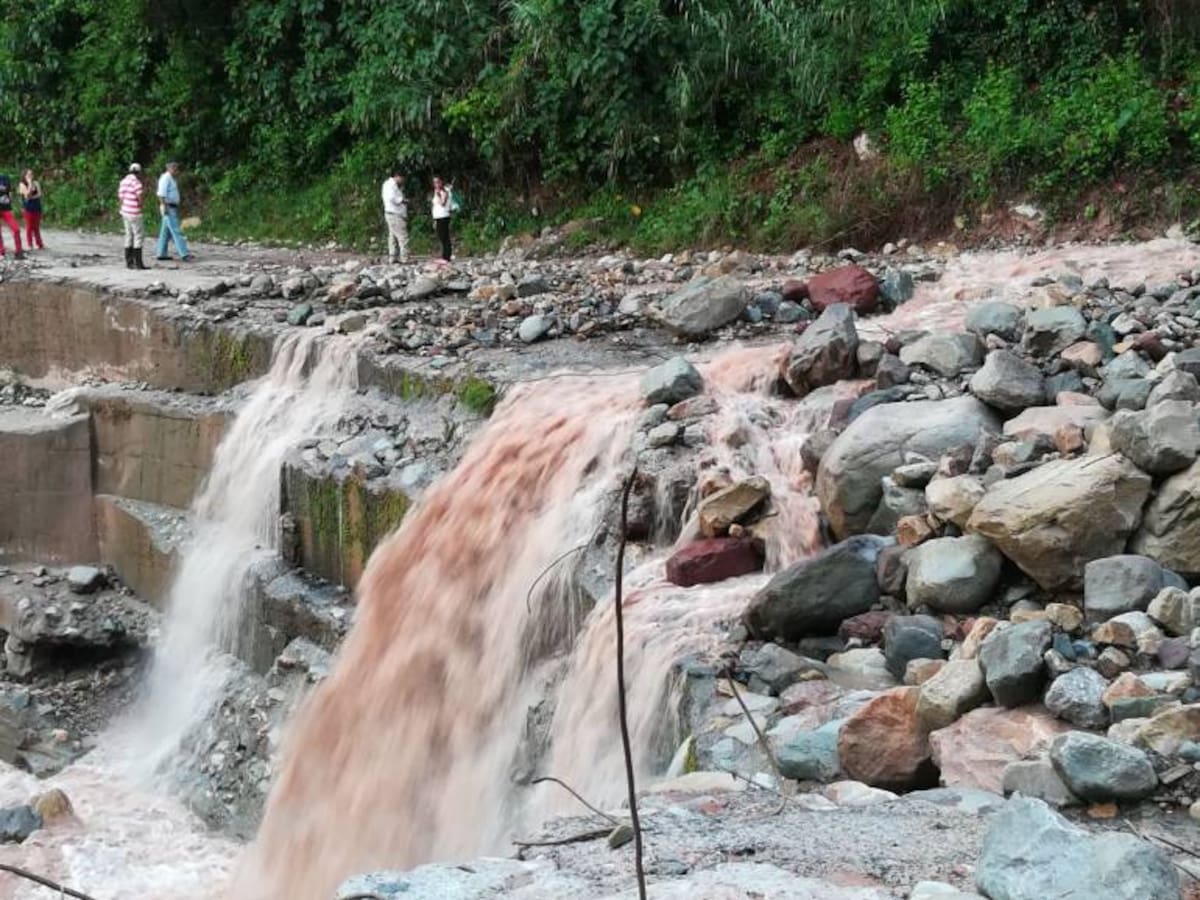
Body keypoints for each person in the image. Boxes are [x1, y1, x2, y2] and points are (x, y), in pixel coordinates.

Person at [155, 161, 192, 262]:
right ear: (169, 168)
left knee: (165, 232)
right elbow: (161, 194)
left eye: (177, 168)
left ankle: (161, 253)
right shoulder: (166, 178)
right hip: (168, 207)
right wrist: (165, 207)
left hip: (171, 206)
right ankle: (184, 254)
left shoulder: (171, 178)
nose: (176, 170)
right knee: (176, 230)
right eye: (174, 168)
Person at [119, 163, 148, 269]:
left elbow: (121, 197)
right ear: (139, 172)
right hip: (134, 212)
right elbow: (139, 197)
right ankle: (139, 263)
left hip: (125, 211)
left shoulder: (123, 182)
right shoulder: (137, 183)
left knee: (128, 235)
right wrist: (141, 206)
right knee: (138, 236)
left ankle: (129, 262)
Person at [381, 169, 408, 264]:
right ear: (397, 176)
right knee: (402, 236)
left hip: (391, 213)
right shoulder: (391, 185)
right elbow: (392, 198)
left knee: (392, 236)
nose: (403, 180)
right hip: (395, 213)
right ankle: (405, 258)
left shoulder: (389, 184)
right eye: (402, 178)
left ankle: (393, 257)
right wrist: (402, 200)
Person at [18, 169, 43, 250]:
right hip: (27, 208)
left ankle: (39, 244)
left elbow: (39, 194)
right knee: (29, 227)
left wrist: (31, 197)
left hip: (37, 206)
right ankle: (30, 244)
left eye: (31, 174)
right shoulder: (22, 184)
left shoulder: (36, 183)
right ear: (24, 176)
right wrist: (29, 183)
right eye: (28, 174)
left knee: (36, 227)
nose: (30, 176)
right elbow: (27, 194)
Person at [0, 175, 23, 259]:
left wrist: (11, 204)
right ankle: (1, 251)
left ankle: (19, 251)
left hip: (6, 209)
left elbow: (9, 193)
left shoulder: (4, 178)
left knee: (16, 229)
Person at [431, 176, 452, 263]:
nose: (436, 184)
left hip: (443, 216)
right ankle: (444, 255)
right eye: (434, 182)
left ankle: (446, 256)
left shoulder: (445, 191)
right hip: (438, 216)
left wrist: (438, 195)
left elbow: (443, 203)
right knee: (441, 236)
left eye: (437, 182)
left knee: (444, 237)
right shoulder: (436, 191)